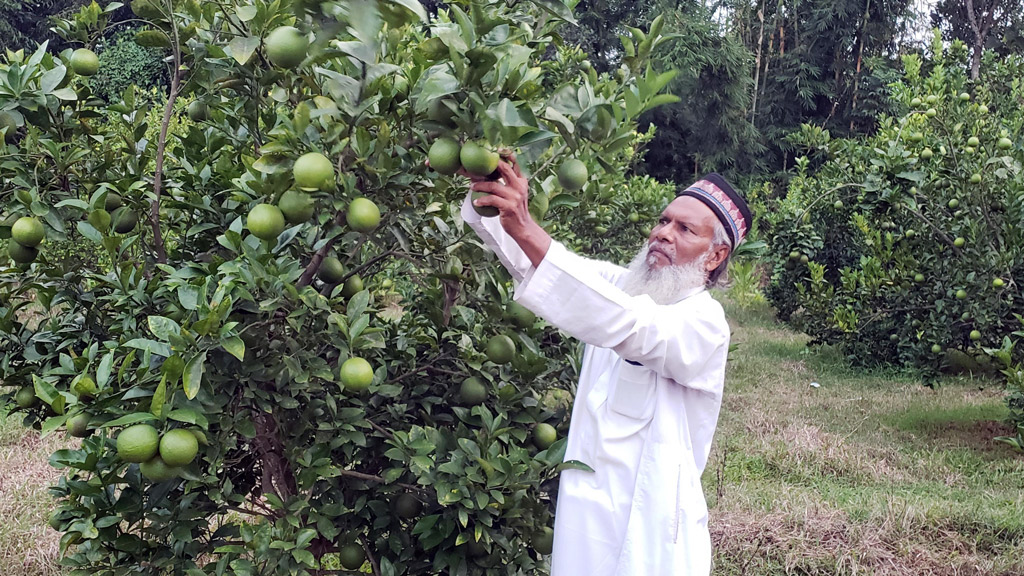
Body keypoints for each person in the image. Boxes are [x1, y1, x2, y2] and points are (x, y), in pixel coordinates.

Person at [460, 156, 751, 576]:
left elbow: (629, 325)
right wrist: (492, 197)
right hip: (586, 509)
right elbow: (541, 267)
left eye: (684, 229)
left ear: (714, 255)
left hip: (650, 526)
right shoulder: (625, 287)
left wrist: (527, 225)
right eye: (663, 221)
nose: (663, 234)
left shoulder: (703, 324)